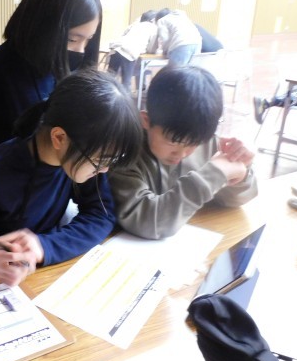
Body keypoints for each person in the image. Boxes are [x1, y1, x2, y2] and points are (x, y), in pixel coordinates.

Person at [0, 69, 142, 286]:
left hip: (38, 279)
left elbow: (101, 213)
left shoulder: (80, 158)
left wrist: (44, 246)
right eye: (101, 160)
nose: (105, 170)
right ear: (59, 138)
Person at [0, 0, 102, 160]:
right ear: (44, 25)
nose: (81, 50)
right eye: (72, 39)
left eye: (88, 40)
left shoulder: (77, 65)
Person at [109, 66, 257, 240]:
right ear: (146, 121)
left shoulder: (206, 142)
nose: (183, 153)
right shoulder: (124, 154)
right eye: (173, 141)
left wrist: (241, 172)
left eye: (194, 144)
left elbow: (236, 200)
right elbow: (147, 223)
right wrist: (213, 175)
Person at [107, 10, 158, 92]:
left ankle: (103, 96)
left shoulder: (135, 24)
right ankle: (125, 98)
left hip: (116, 49)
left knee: (109, 78)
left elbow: (124, 34)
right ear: (152, 20)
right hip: (128, 53)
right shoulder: (153, 28)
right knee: (126, 82)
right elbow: (152, 46)